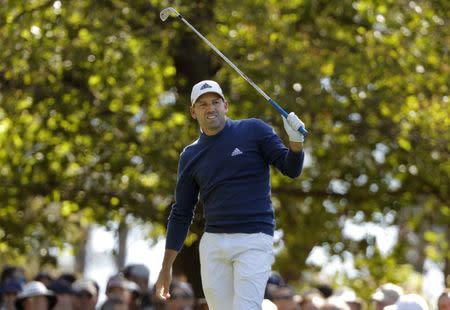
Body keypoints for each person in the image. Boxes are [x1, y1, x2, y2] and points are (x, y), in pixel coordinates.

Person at [155, 80, 306, 310]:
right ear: (193, 111)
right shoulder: (190, 155)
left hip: (254, 238)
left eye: (215, 102)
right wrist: (166, 267)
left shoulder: (254, 130)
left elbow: (291, 169)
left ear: (226, 105)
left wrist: (296, 143)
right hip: (213, 242)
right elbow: (181, 212)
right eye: (203, 104)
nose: (210, 108)